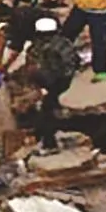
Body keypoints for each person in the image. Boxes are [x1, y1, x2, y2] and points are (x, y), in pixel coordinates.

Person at [26, 18, 82, 151]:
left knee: (47, 113)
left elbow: (34, 69)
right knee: (51, 110)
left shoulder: (37, 47)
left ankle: (49, 144)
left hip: (52, 83)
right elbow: (76, 61)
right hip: (68, 81)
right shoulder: (65, 43)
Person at [0, 3, 58, 73]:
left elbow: (17, 49)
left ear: (4, 17)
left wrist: (6, 67)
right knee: (2, 33)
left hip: (46, 29)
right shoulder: (12, 13)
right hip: (40, 20)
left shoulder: (20, 23)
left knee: (32, 53)